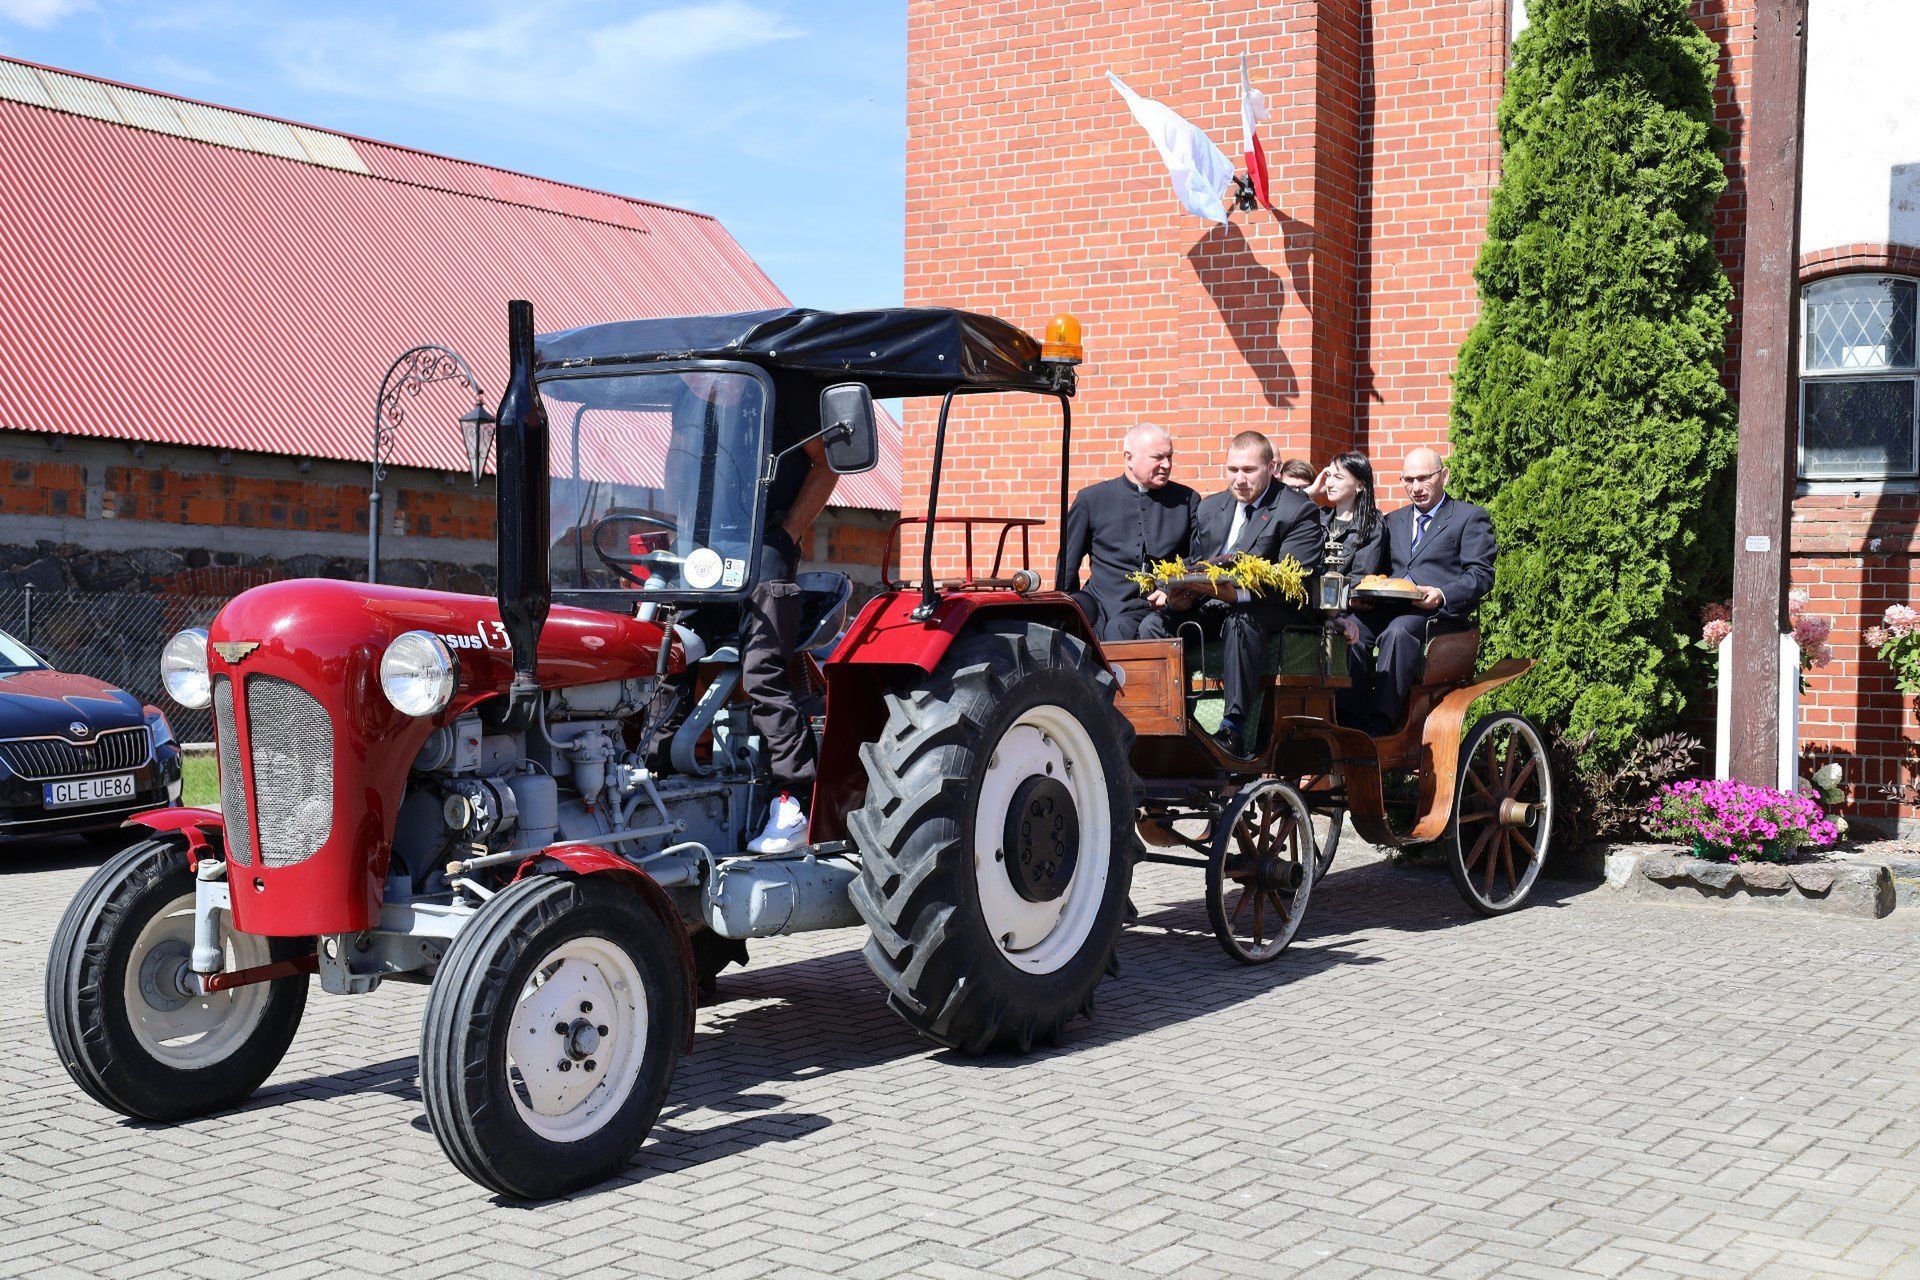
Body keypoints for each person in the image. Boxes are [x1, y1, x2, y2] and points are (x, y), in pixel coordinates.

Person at [1145, 431, 1323, 754]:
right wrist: (1180, 595)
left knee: (1241, 621)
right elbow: (1197, 563)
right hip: (1214, 602)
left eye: (1249, 470)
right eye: (1232, 469)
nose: (1239, 479)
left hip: (1272, 607)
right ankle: (1170, 726)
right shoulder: (1211, 508)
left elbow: (1295, 580)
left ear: (1272, 468)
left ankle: (1233, 729)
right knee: (1154, 624)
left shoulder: (1297, 510)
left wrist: (1237, 595)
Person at [745, 372, 841, 853]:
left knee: (762, 670)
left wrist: (786, 535)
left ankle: (793, 801)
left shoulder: (782, 385)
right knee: (668, 660)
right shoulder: (695, 388)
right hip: (707, 555)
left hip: (767, 554)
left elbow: (829, 462)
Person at [1340, 447, 1496, 735]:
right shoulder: (1392, 520)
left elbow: (1481, 575)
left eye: (1424, 478)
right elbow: (1377, 569)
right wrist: (1363, 595)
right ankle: (1349, 721)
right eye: (1409, 480)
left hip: (1437, 616)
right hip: (1388, 608)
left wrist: (1442, 593)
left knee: (1399, 631)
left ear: (1444, 476)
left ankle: (1381, 723)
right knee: (1350, 629)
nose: (1416, 487)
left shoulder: (1469, 517)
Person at [1056, 424, 1200, 641]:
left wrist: (1170, 589)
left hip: (1155, 608)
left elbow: (1196, 558)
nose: (1167, 464)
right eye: (1157, 457)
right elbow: (1067, 563)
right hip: (1102, 604)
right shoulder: (1091, 499)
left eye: (1169, 456)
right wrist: (1065, 607)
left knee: (1120, 629)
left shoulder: (1187, 500)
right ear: (1129, 458)